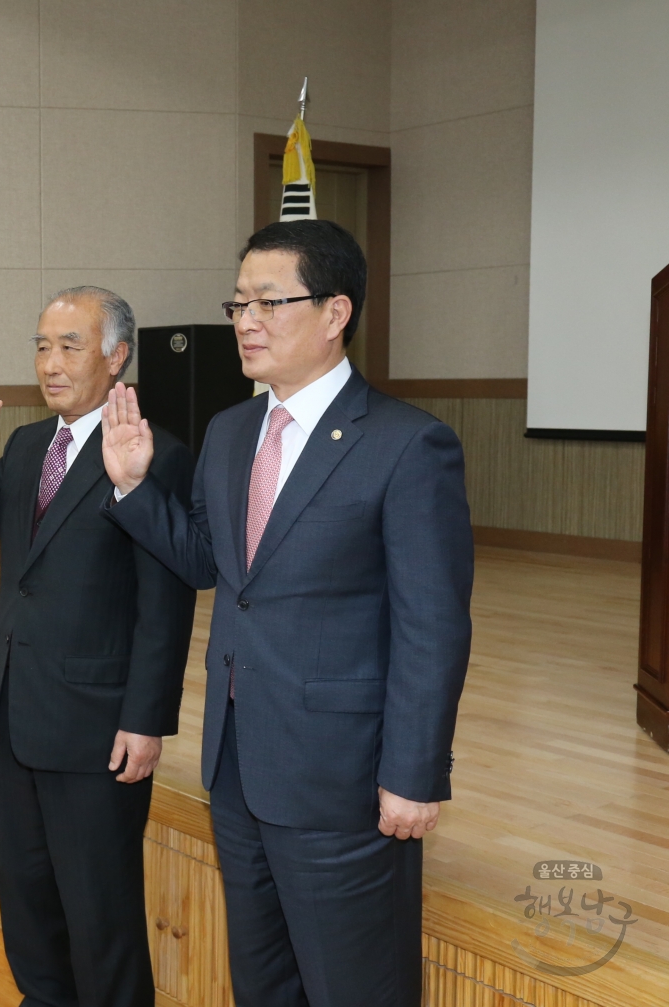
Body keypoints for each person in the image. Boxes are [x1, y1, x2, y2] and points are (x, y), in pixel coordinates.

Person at [100, 220, 473, 1005]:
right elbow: (212, 564)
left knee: (354, 985)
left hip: (343, 777)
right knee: (263, 981)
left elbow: (431, 626)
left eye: (269, 302)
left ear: (336, 312)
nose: (245, 322)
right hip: (238, 765)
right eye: (238, 304)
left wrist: (414, 771)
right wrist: (136, 488)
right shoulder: (232, 430)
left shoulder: (409, 445)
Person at [0, 287, 196, 1007]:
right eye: (42, 346)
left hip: (97, 724)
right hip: (19, 710)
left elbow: (164, 601)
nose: (51, 363)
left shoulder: (154, 455)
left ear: (117, 357)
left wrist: (146, 718)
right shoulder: (25, 444)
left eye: (70, 346)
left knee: (100, 911)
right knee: (28, 897)